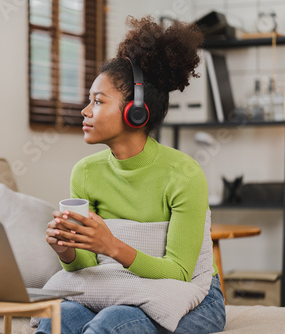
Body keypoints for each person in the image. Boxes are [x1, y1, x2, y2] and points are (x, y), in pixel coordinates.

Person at [36, 16, 226, 334]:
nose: (85, 111)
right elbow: (86, 269)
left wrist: (111, 245)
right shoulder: (85, 173)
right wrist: (66, 250)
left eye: (98, 101)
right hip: (117, 288)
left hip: (192, 296)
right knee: (58, 319)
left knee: (111, 324)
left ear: (134, 111)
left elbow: (179, 273)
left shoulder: (184, 175)